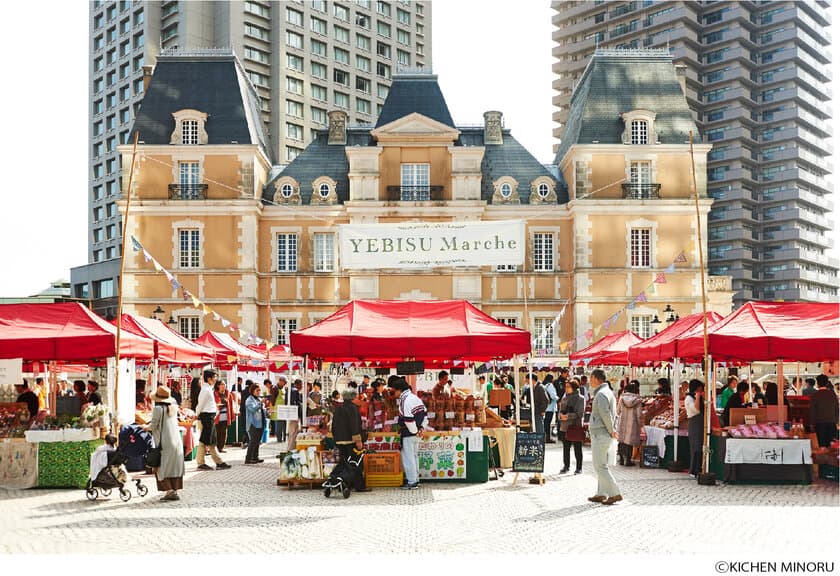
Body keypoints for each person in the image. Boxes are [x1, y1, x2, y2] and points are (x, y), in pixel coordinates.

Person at [587, 369, 621, 506]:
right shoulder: (608, 392)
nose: (590, 381)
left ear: (595, 378)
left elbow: (606, 414)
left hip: (601, 433)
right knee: (602, 464)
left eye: (591, 378)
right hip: (604, 433)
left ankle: (614, 492)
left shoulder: (601, 394)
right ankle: (602, 493)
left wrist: (612, 430)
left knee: (599, 465)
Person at [390, 376, 429, 490]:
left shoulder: (405, 400)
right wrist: (421, 429)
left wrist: (415, 431)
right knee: (414, 456)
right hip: (416, 433)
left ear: (399, 390)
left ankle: (412, 481)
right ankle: (416, 479)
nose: (394, 393)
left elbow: (408, 420)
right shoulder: (415, 398)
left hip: (409, 433)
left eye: (394, 391)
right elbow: (425, 416)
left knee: (408, 458)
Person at [148, 385, 185, 501]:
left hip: (165, 442)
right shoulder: (173, 407)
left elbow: (153, 426)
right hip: (176, 440)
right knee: (174, 466)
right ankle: (175, 490)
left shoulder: (158, 409)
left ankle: (169, 491)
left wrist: (144, 427)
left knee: (161, 466)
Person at [332, 388, 368, 492]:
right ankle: (359, 486)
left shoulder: (338, 408)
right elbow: (354, 426)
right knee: (355, 463)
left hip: (339, 440)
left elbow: (334, 425)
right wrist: (358, 440)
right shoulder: (353, 408)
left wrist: (336, 438)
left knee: (344, 462)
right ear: (353, 398)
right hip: (350, 440)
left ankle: (344, 483)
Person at [194, 370, 231, 471]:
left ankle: (218, 461)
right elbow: (200, 405)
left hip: (210, 417)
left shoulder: (209, 389)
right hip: (206, 417)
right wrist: (196, 415)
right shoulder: (205, 390)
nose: (216, 379)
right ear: (209, 378)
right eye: (214, 377)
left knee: (211, 441)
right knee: (205, 440)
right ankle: (202, 463)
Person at [558, 378, 585, 474]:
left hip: (575, 426)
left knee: (577, 448)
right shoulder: (564, 398)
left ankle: (579, 467)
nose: (566, 389)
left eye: (568, 387)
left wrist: (568, 416)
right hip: (565, 426)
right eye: (565, 387)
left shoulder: (580, 398)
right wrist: (561, 416)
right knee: (566, 447)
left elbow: (580, 414)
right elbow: (560, 410)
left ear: (574, 387)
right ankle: (566, 465)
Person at [616, 380, 643, 466]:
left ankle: (620, 459)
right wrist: (640, 424)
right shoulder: (638, 400)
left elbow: (618, 411)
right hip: (633, 422)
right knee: (630, 441)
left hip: (622, 421)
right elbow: (639, 415)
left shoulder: (621, 398)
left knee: (622, 440)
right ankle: (628, 460)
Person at [810, 375, 839, 448]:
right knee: (832, 446)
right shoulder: (833, 395)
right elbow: (837, 409)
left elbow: (813, 411)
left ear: (817, 383)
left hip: (820, 424)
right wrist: (836, 422)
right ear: (827, 383)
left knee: (822, 445)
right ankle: (831, 459)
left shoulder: (815, 395)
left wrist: (812, 424)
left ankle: (823, 459)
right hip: (832, 423)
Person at [685, 379, 705, 478]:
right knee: (696, 447)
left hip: (700, 423)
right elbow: (696, 410)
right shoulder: (689, 398)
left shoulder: (696, 397)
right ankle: (694, 470)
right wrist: (698, 396)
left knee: (700, 446)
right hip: (694, 423)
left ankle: (699, 468)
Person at [244, 382, 265, 464]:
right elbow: (252, 409)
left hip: (260, 423)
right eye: (257, 390)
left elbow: (260, 410)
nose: (259, 392)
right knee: (253, 441)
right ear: (252, 391)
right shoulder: (249, 400)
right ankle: (248, 458)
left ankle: (255, 457)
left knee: (257, 441)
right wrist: (261, 403)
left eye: (259, 390)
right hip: (253, 423)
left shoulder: (258, 399)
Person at [214, 379, 234, 453]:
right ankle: (215, 448)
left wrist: (232, 415)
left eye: (224, 384)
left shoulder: (228, 394)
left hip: (225, 415)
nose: (223, 386)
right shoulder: (214, 394)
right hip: (217, 416)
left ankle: (221, 447)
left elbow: (231, 405)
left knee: (224, 433)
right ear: (218, 386)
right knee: (217, 432)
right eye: (222, 384)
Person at [287, 379, 303, 450]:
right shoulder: (294, 391)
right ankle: (291, 449)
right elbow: (295, 403)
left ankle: (290, 448)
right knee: (293, 433)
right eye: (301, 385)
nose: (302, 386)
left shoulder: (290, 389)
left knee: (291, 433)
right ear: (298, 384)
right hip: (294, 414)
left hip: (291, 414)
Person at [272, 376, 288, 443]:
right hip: (277, 409)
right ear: (280, 381)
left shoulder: (284, 388)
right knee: (279, 425)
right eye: (284, 382)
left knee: (284, 424)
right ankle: (279, 439)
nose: (284, 384)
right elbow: (272, 399)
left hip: (284, 409)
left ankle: (285, 438)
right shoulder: (274, 388)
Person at [543, 374, 558, 443]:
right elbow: (553, 396)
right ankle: (548, 438)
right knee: (548, 423)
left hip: (545, 407)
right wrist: (558, 398)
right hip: (550, 407)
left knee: (546, 423)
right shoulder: (550, 385)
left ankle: (545, 437)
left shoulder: (544, 385)